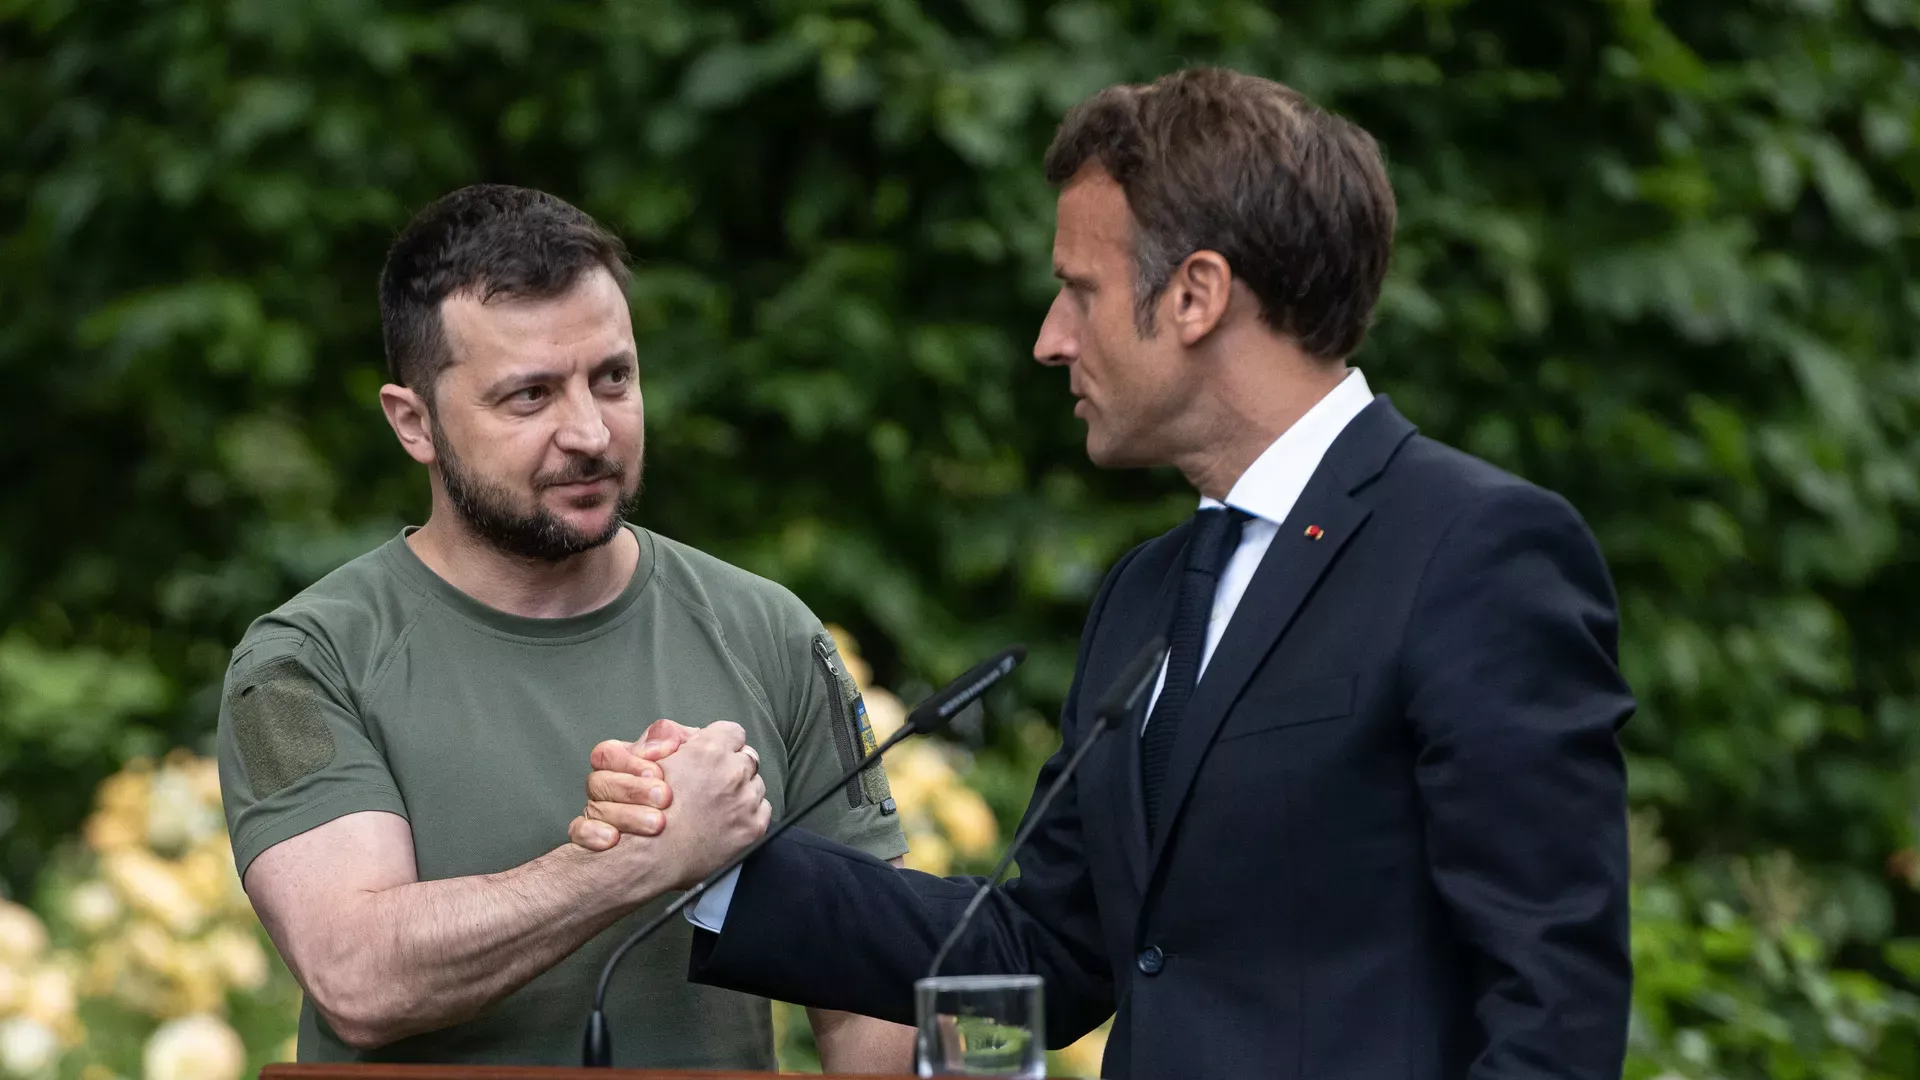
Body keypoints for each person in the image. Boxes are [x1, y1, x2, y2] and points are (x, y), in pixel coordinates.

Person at [575, 68, 1635, 1078]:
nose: (1050, 340)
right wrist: (716, 864)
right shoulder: (1149, 590)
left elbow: (1553, 1000)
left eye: (1079, 292)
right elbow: (1043, 947)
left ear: (1196, 295)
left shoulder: (1475, 550)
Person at [215, 184, 913, 1070]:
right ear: (414, 423)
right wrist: (636, 859)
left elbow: (878, 1017)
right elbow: (358, 977)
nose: (589, 432)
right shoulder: (298, 666)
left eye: (612, 379)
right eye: (529, 395)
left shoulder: (770, 633)